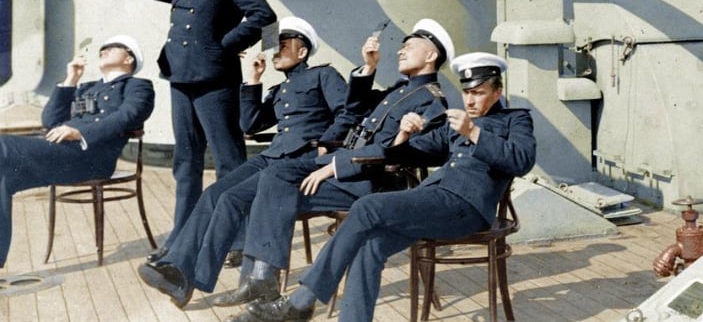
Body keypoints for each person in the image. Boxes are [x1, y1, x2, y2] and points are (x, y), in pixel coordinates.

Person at [227, 51, 536, 322]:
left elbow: (522, 159)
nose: (470, 100)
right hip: (432, 201)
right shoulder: (456, 122)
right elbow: (403, 154)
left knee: (367, 206)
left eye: (479, 92)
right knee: (369, 247)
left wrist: (475, 134)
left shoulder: (515, 120)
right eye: (467, 92)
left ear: (497, 92)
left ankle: (302, 300)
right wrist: (405, 134)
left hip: (466, 208)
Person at [208, 18, 454, 308]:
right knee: (273, 177)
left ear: (431, 56)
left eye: (409, 47)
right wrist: (369, 67)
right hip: (350, 167)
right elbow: (356, 108)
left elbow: (411, 152)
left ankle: (262, 282)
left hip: (375, 180)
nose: (400, 52)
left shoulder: (432, 102)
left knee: (275, 183)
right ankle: (259, 280)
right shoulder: (400, 90)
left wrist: (337, 165)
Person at [137, 16, 352, 306]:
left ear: (302, 52)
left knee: (231, 199)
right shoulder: (280, 90)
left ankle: (190, 279)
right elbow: (249, 125)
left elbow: (348, 112)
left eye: (283, 45)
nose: (275, 50)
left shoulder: (323, 76)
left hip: (301, 159)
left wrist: (327, 143)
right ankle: (180, 273)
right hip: (271, 156)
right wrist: (253, 81)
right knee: (215, 193)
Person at [135, 0, 277, 253]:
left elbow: (266, 19)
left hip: (215, 78)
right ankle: (183, 235)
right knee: (186, 161)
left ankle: (238, 240)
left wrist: (226, 44)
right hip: (180, 77)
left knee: (228, 160)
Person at [0, 36, 155, 290]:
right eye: (103, 48)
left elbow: (127, 116)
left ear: (129, 58)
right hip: (61, 156)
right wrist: (70, 80)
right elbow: (50, 120)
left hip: (92, 158)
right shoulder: (86, 87)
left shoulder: (138, 86)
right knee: (0, 180)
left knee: (1, 145)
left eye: (112, 48)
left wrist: (81, 133)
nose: (104, 50)